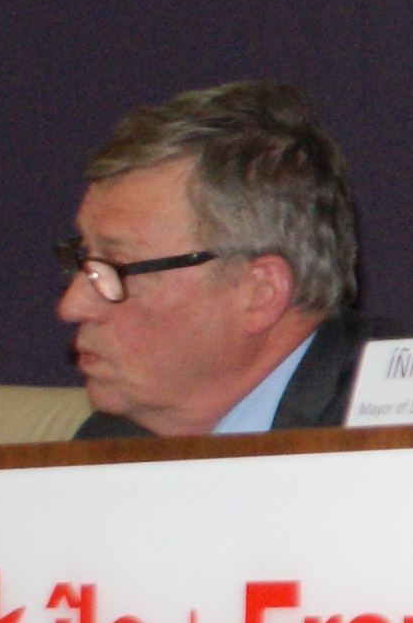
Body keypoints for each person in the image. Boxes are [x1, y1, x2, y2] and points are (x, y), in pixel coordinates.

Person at [61, 80, 381, 440]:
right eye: (84, 261)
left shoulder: (398, 433)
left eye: (114, 269)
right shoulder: (109, 439)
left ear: (259, 293)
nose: (71, 306)